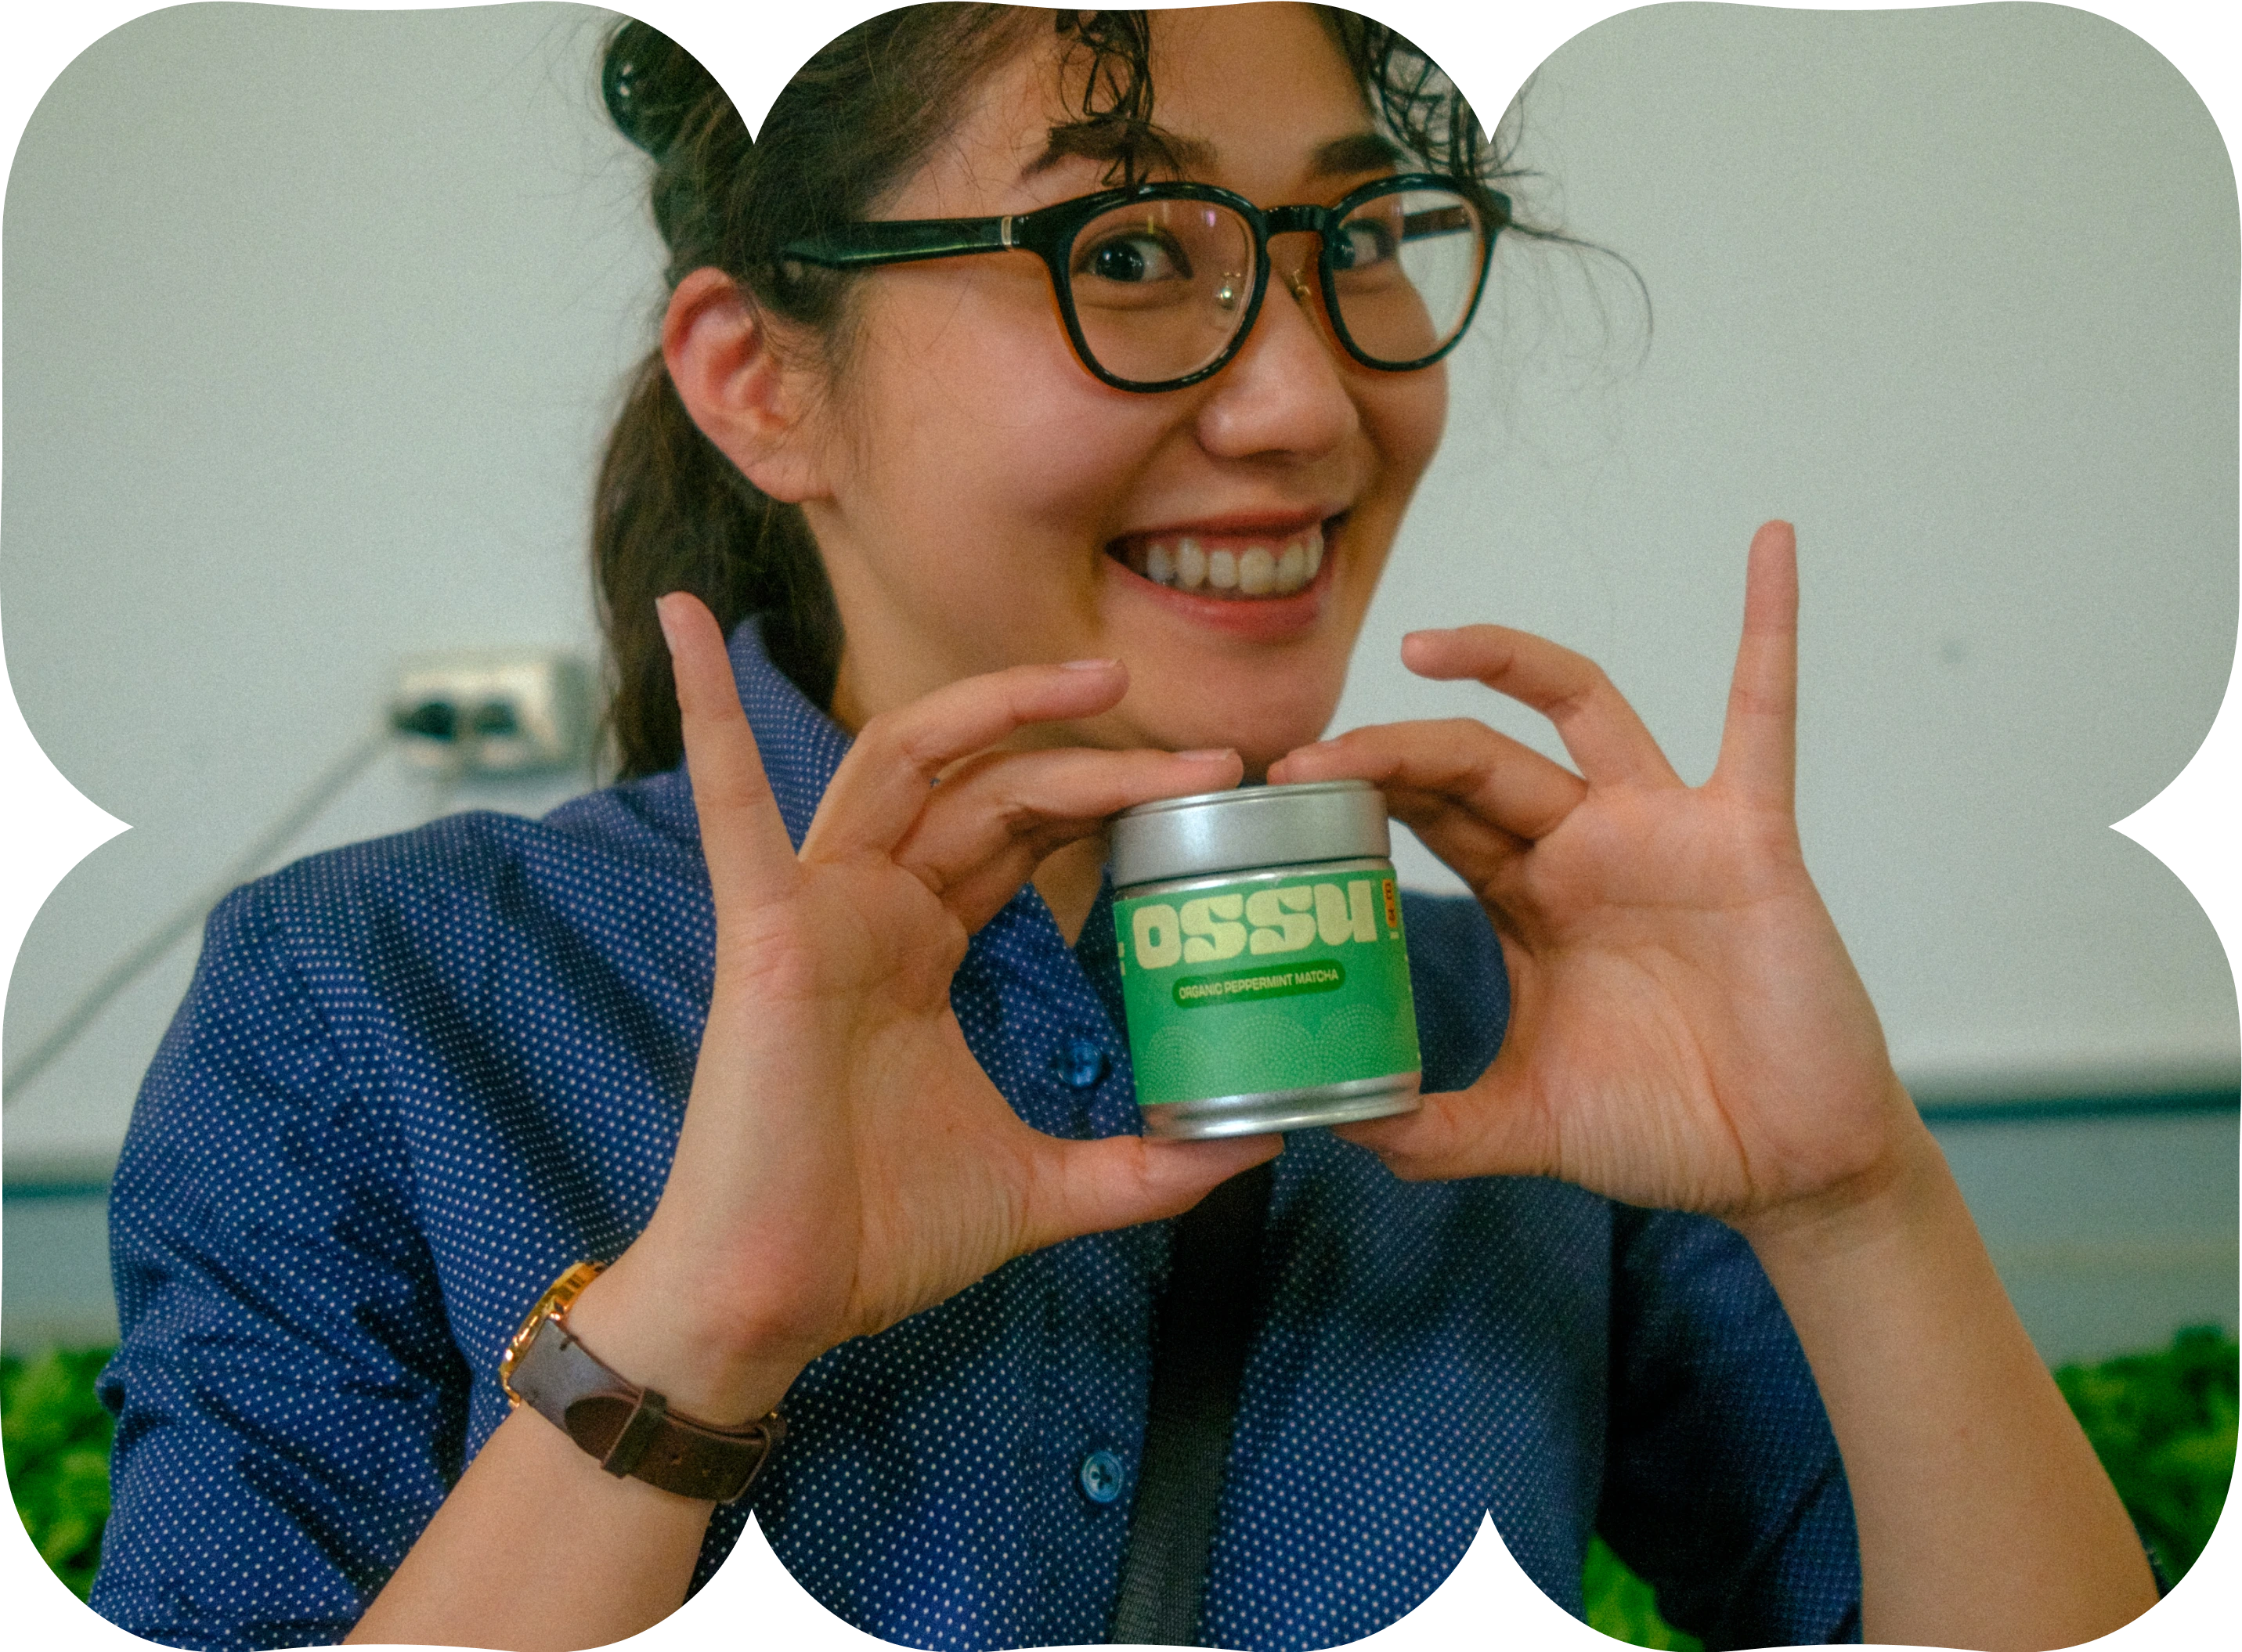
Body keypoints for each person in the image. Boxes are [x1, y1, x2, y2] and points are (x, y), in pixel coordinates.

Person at [88, 6, 2161, 1651]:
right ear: (762, 381)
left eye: (1356, 239)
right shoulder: (376, 1000)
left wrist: (1852, 1203)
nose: (1307, 407)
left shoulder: (1521, 1044)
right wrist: (693, 1330)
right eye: (1131, 253)